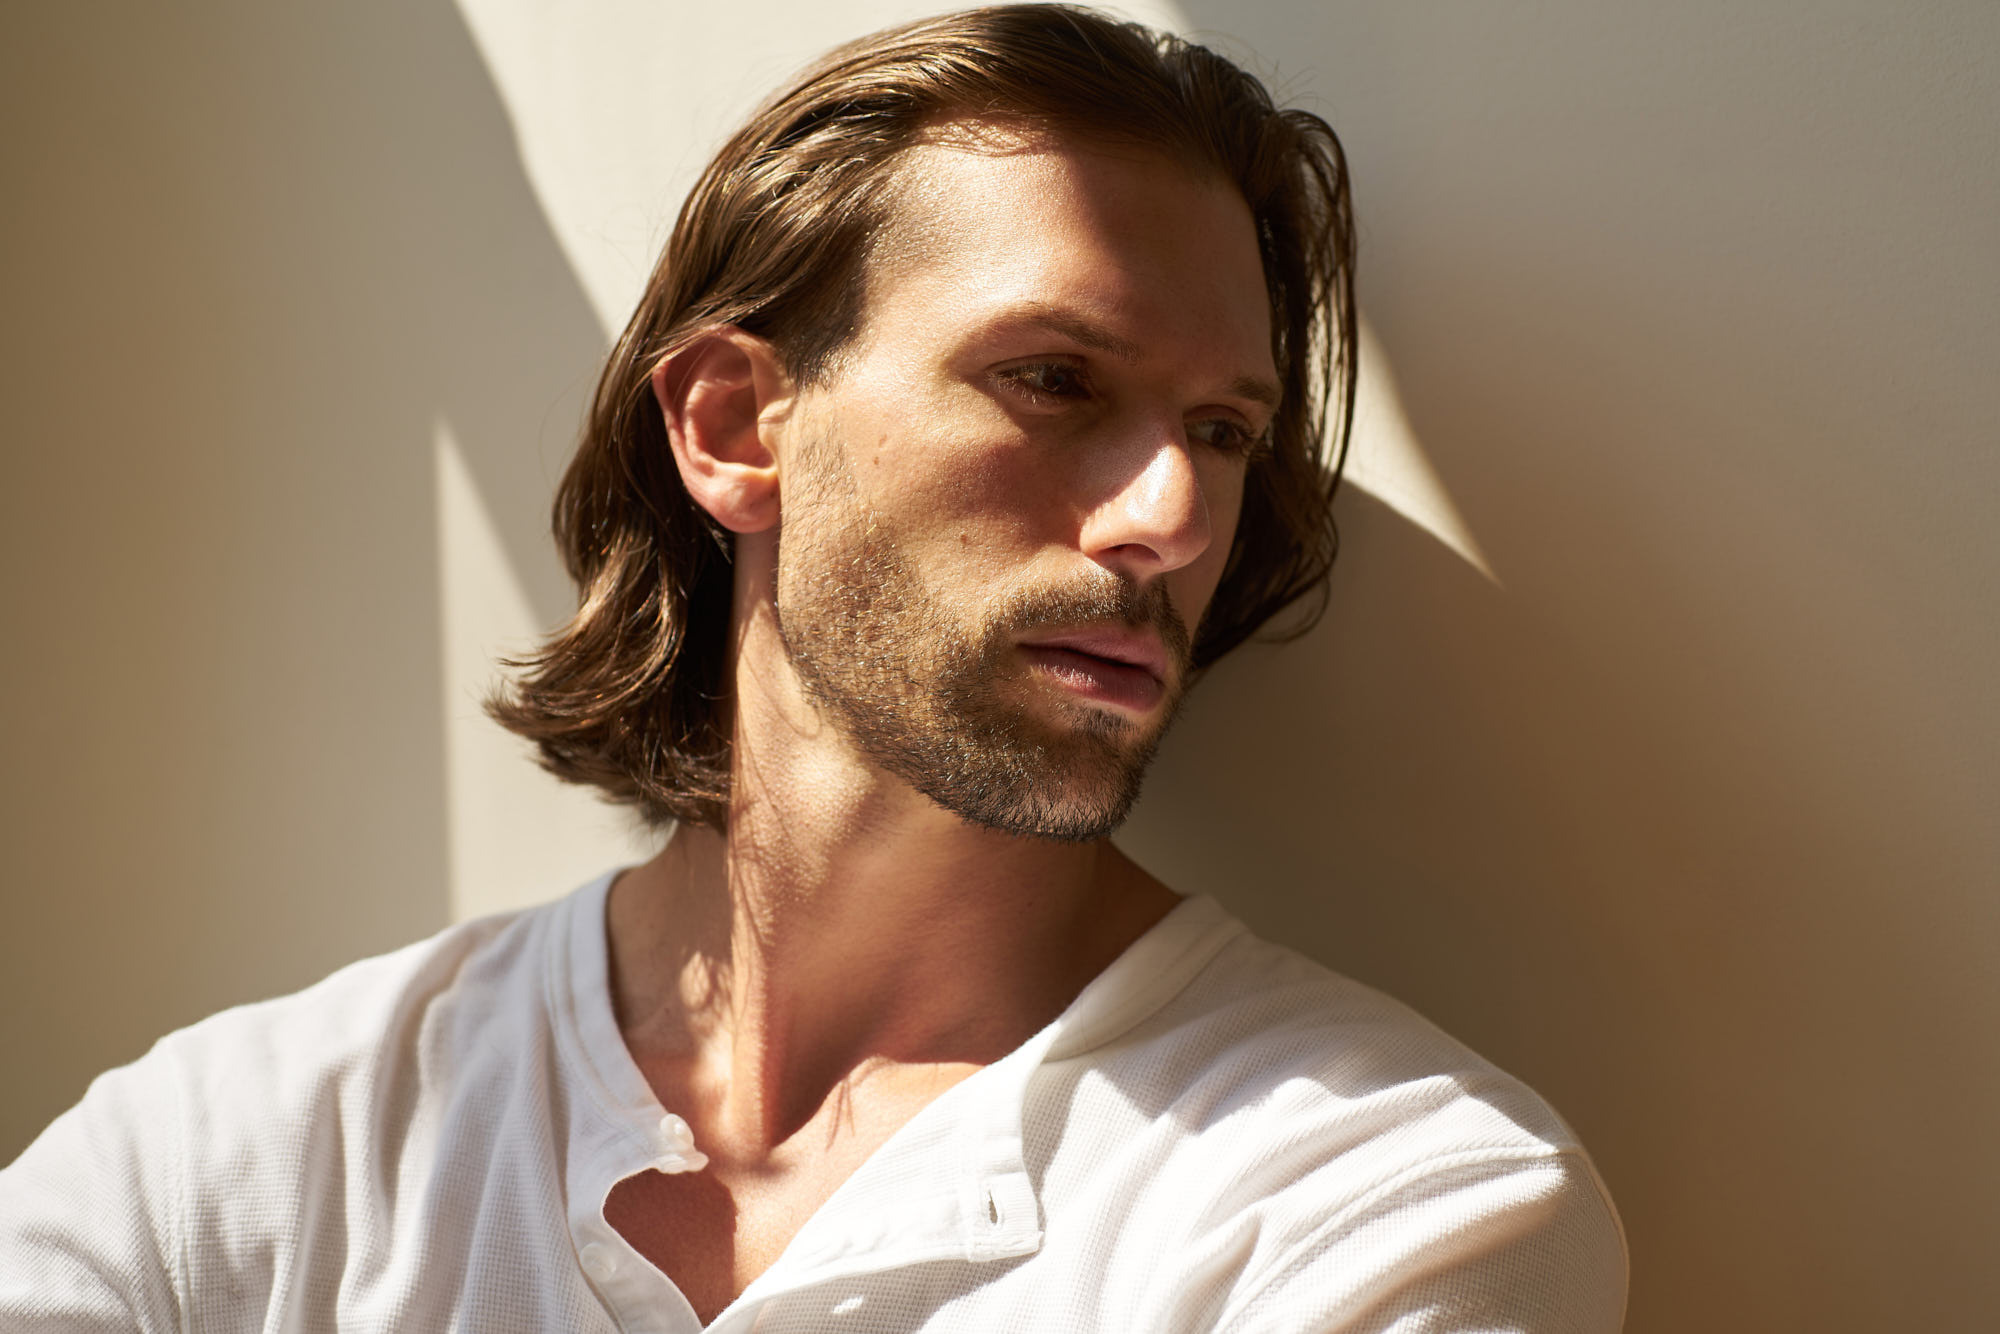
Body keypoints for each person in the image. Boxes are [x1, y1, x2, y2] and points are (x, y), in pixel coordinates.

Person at [0, 6, 1626, 1330]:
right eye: (1057, 378)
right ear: (731, 424)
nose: (1177, 515)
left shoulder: (1379, 1201)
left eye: (1225, 429)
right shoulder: (251, 1155)